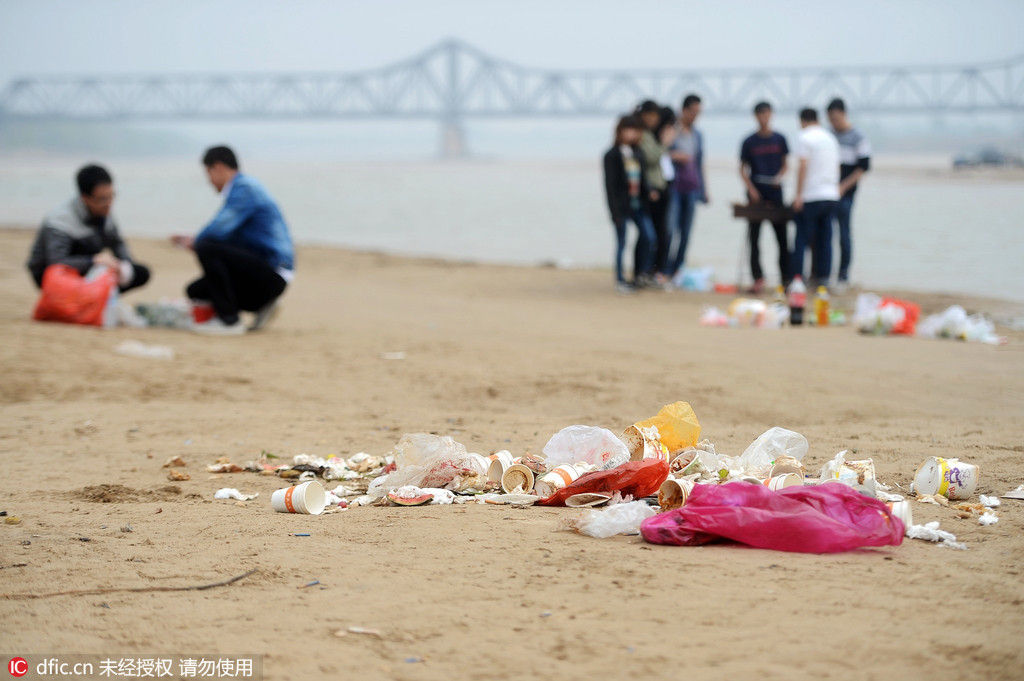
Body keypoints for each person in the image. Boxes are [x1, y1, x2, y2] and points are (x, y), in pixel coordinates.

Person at [170, 146, 294, 335]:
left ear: (218, 167)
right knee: (196, 290)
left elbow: (218, 228)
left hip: (273, 273)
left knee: (206, 246)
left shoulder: (245, 189)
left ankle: (229, 321)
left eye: (208, 173)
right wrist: (195, 241)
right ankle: (262, 307)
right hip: (263, 273)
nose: (209, 181)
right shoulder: (245, 188)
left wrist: (194, 242)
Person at [27, 164, 150, 293]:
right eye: (102, 199)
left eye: (111, 196)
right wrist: (93, 261)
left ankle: (96, 302)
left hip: (87, 268)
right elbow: (56, 263)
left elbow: (117, 243)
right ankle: (81, 302)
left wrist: (125, 265)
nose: (109, 203)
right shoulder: (60, 220)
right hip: (52, 275)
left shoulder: (104, 212)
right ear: (85, 198)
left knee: (139, 273)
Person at [739, 101, 790, 292]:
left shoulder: (780, 139)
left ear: (771, 114)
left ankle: (786, 279)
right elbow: (742, 169)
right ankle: (757, 278)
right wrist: (751, 189)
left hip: (776, 193)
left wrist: (779, 177)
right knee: (754, 239)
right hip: (756, 195)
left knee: (782, 239)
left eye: (766, 114)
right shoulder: (749, 141)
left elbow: (786, 164)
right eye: (760, 114)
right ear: (755, 116)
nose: (764, 117)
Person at [602, 115, 656, 294]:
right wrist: (615, 213)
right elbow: (610, 187)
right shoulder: (612, 155)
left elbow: (642, 180)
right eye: (628, 129)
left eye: (634, 130)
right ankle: (620, 280)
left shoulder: (637, 153)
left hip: (638, 205)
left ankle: (640, 274)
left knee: (649, 237)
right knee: (621, 243)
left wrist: (650, 193)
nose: (631, 133)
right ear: (620, 131)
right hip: (621, 208)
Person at [791, 108, 839, 286]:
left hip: (811, 195)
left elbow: (803, 166)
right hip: (831, 195)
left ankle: (797, 279)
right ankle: (823, 279)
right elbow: (836, 167)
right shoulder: (830, 138)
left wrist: (798, 196)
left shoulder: (804, 137)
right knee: (825, 240)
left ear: (802, 121)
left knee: (801, 239)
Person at [827, 98, 871, 292]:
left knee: (844, 234)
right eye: (831, 119)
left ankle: (843, 276)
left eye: (836, 118)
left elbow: (864, 167)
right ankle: (824, 275)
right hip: (827, 193)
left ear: (844, 114)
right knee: (826, 234)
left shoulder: (857, 137)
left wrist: (844, 186)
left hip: (846, 194)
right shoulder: (829, 136)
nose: (834, 122)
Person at [665, 93, 709, 283]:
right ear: (683, 110)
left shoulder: (698, 134)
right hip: (674, 187)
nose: (695, 116)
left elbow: (700, 163)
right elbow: (662, 152)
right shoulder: (672, 129)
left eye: (698, 112)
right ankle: (664, 269)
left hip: (692, 188)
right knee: (670, 230)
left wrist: (704, 189)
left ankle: (678, 270)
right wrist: (677, 155)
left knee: (686, 233)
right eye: (693, 111)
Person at [635, 100, 671, 287]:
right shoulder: (643, 135)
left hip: (659, 188)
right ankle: (643, 272)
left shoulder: (650, 134)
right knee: (649, 236)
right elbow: (651, 158)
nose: (656, 120)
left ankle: (651, 272)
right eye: (653, 116)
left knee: (658, 234)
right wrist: (665, 143)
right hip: (650, 191)